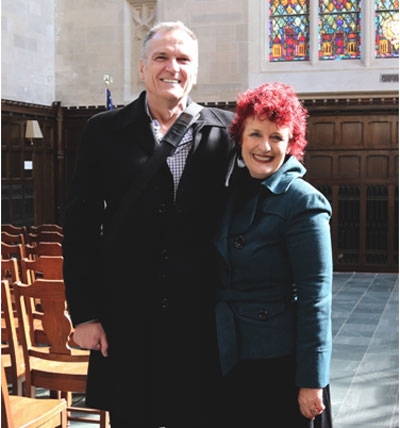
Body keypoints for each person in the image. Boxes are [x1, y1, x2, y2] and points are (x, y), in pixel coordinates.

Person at [62, 21, 235, 427]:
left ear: (195, 70)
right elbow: (81, 224)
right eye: (161, 57)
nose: (172, 67)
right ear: (142, 68)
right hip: (127, 316)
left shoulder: (228, 130)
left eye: (183, 59)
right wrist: (85, 314)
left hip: (200, 318)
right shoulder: (103, 131)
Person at [212, 81, 333, 427]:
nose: (264, 147)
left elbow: (316, 299)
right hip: (229, 354)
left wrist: (312, 380)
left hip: (279, 361)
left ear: (291, 144)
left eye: (277, 137)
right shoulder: (230, 191)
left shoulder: (304, 201)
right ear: (240, 137)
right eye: (255, 134)